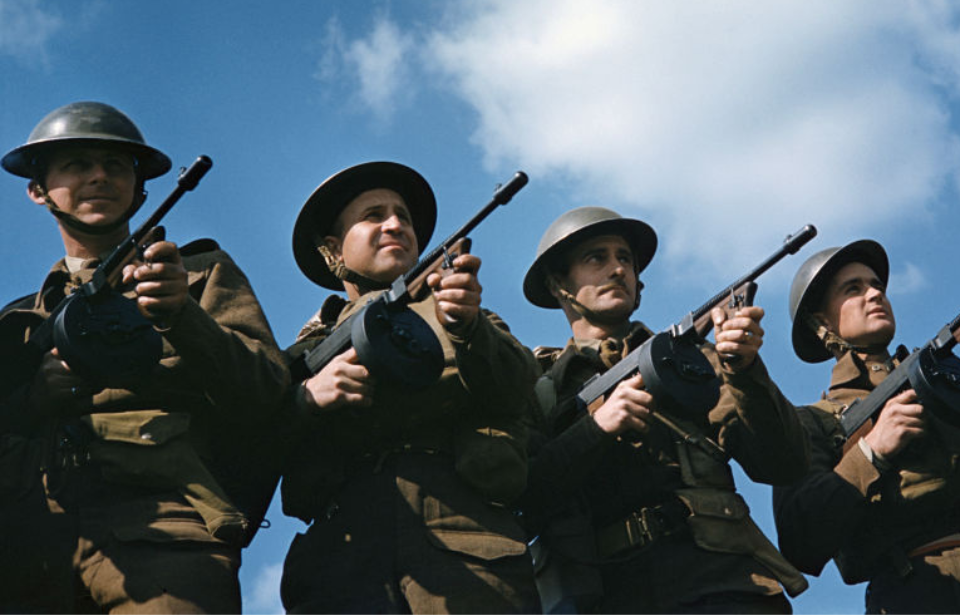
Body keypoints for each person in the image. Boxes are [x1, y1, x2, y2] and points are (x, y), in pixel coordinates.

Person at [0, 101, 287, 612]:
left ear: (140, 187)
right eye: (76, 164)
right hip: (32, 549)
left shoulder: (198, 274)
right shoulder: (18, 322)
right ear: (38, 189)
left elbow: (269, 391)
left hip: (167, 538)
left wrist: (183, 316)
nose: (99, 177)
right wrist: (34, 398)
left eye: (116, 166)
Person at [279, 161, 541, 613]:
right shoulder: (301, 356)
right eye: (373, 215)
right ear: (331, 251)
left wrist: (468, 328)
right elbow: (246, 434)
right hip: (341, 562)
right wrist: (306, 399)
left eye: (403, 215)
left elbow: (521, 393)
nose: (396, 224)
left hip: (464, 544)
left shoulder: (462, 314)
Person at [521, 206, 809, 613]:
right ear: (558, 284)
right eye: (596, 258)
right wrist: (596, 428)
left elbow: (783, 464)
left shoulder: (694, 360)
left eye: (625, 259)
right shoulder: (537, 385)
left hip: (725, 583)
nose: (618, 269)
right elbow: (523, 501)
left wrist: (745, 372)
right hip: (611, 596)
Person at [773, 240, 960, 613]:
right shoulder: (812, 421)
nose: (874, 293)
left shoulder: (943, 383)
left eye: (876, 285)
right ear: (821, 322)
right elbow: (799, 542)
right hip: (919, 592)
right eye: (853, 289)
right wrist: (871, 452)